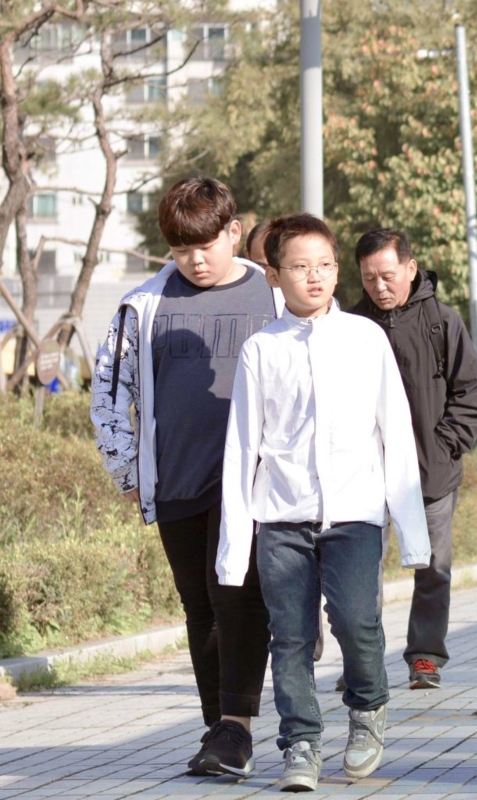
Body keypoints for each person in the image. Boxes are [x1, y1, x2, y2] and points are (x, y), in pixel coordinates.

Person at [216, 213, 431, 791]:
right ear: (275, 275)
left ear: (337, 270)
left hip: (355, 516)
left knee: (358, 623)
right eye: (300, 267)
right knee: (288, 637)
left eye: (325, 266)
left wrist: (413, 533)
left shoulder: (367, 339)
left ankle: (367, 710)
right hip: (282, 519)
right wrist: (235, 550)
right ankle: (301, 744)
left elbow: (396, 433)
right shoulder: (261, 349)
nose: (315, 278)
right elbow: (242, 449)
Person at [90, 177, 280, 777]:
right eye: (180, 248)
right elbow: (107, 390)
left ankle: (237, 729)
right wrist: (126, 467)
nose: (196, 260)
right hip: (174, 476)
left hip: (248, 480)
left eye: (206, 244)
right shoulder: (144, 304)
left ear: (234, 231)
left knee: (238, 600)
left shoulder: (271, 295)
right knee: (199, 606)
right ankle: (217, 728)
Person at [349, 228, 477, 690]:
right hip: (364, 477)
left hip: (431, 473)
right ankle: (362, 664)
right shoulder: (350, 327)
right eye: (369, 279)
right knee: (358, 574)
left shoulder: (442, 322)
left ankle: (425, 657)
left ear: (410, 268)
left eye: (387, 275)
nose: (379, 287)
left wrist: (445, 442)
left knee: (433, 569)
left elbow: (472, 391)